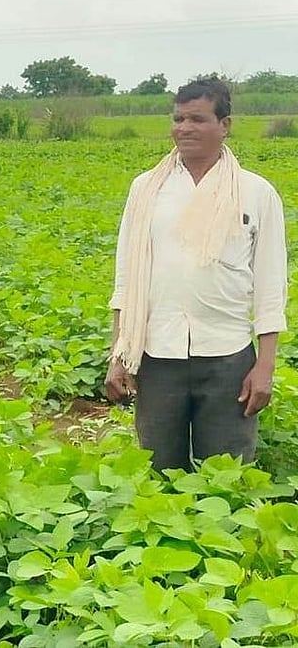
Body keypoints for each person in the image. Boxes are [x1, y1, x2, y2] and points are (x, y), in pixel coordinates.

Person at [105, 79, 287, 472]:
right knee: (159, 471)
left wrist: (265, 366)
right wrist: (118, 354)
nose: (184, 128)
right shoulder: (147, 190)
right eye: (178, 119)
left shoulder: (255, 193)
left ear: (225, 125)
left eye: (198, 119)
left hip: (228, 357)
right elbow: (126, 280)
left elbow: (271, 288)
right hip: (158, 355)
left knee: (225, 475)